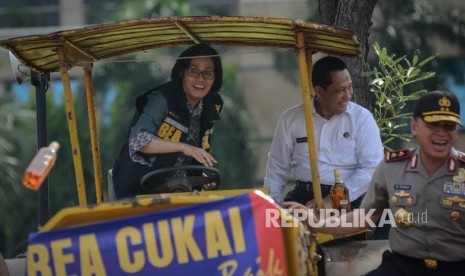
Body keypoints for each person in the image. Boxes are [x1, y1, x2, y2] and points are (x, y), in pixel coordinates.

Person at [285, 90, 465, 275]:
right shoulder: (392, 167)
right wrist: (316, 223)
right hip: (403, 267)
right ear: (414, 126)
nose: (441, 133)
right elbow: (365, 217)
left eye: (449, 126)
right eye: (433, 124)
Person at [264, 56, 383, 208]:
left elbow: (372, 168)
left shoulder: (361, 118)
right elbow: (277, 166)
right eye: (340, 90)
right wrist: (272, 205)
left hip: (347, 197)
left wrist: (332, 200)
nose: (348, 95)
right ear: (318, 91)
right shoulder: (292, 119)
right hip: (303, 196)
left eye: (349, 87)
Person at [112, 43, 223, 199]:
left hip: (179, 191)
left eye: (208, 73)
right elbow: (138, 141)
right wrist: (184, 147)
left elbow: (187, 157)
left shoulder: (213, 104)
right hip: (137, 189)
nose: (200, 78)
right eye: (193, 71)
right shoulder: (162, 99)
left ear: (215, 78)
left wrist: (199, 176)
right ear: (181, 72)